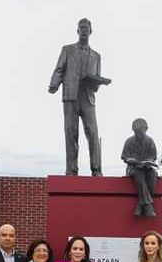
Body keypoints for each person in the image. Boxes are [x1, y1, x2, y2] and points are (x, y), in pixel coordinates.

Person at [49, 18, 110, 176]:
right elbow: (59, 69)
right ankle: (71, 170)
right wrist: (54, 84)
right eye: (81, 28)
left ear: (90, 31)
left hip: (88, 96)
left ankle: (96, 170)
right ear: (77, 31)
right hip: (70, 95)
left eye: (86, 28)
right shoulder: (67, 50)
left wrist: (99, 82)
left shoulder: (97, 56)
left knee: (92, 131)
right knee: (71, 131)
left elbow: (96, 80)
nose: (84, 30)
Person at [122, 118, 158, 217]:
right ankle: (148, 206)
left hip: (146, 168)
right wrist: (131, 160)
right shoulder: (129, 141)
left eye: (141, 133)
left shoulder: (150, 141)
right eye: (137, 133)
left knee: (153, 174)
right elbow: (124, 156)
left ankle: (141, 204)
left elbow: (153, 156)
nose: (139, 135)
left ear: (146, 130)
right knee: (139, 174)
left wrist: (148, 162)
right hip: (133, 169)